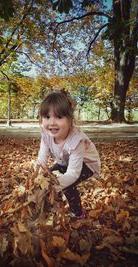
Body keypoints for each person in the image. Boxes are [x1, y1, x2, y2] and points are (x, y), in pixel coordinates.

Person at [36, 90, 101, 219]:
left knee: (67, 185)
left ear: (70, 120)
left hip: (87, 164)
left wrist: (54, 185)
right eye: (47, 117)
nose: (52, 122)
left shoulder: (76, 141)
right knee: (48, 177)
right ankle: (50, 209)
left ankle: (78, 214)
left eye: (59, 117)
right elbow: (42, 159)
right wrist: (37, 177)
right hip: (65, 162)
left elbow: (73, 174)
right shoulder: (46, 135)